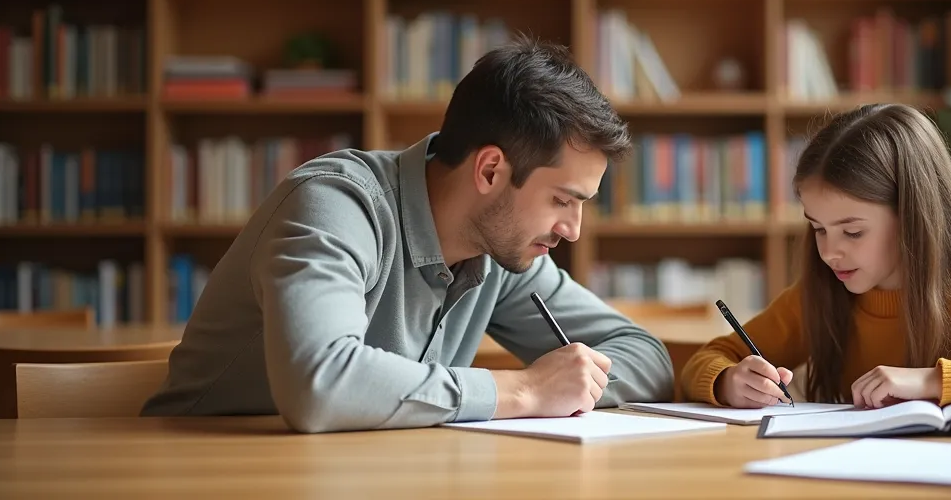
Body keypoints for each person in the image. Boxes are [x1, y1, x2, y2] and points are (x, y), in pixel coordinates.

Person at [142, 37, 675, 433]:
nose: (573, 231)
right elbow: (319, 387)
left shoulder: (501, 254)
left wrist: (575, 382)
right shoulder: (335, 204)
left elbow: (645, 356)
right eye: (563, 200)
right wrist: (526, 389)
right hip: (206, 474)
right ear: (490, 171)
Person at [680, 103, 951, 410]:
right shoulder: (818, 296)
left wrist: (930, 382)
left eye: (852, 231)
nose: (829, 251)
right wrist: (729, 381)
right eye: (818, 228)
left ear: (913, 217)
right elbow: (706, 359)